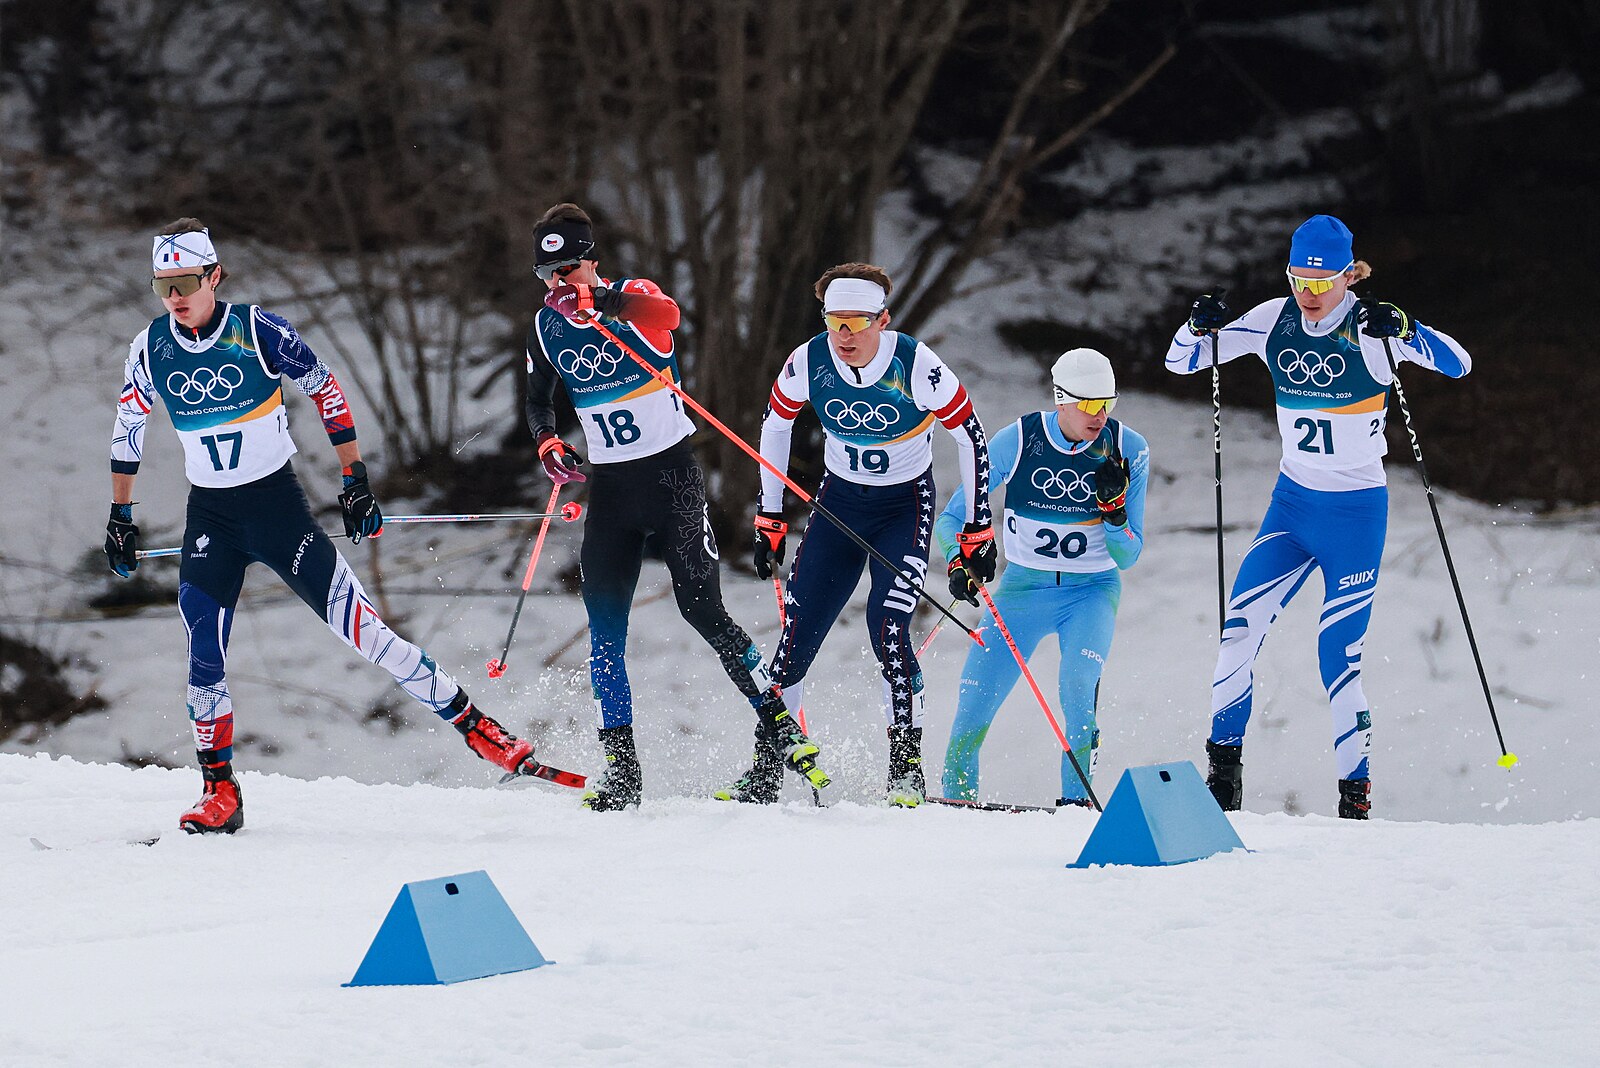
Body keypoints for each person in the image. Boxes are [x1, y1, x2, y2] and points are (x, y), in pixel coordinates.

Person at [106, 219, 565, 834]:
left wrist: (355, 479)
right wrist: (120, 516)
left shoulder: (257, 330)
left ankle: (478, 728)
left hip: (275, 510)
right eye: (163, 286)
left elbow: (325, 389)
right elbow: (128, 428)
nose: (175, 297)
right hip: (211, 515)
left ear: (214, 275)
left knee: (367, 634)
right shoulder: (151, 346)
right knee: (202, 653)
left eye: (186, 281)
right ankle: (220, 791)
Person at [1168, 214, 1472, 819]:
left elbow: (1459, 364)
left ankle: (1353, 802)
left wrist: (1409, 330)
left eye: (1321, 283)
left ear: (1345, 277)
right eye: (1298, 281)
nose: (1308, 296)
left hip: (1355, 517)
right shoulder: (1273, 318)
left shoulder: (1369, 327)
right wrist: (1196, 324)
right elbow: (1182, 363)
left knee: (1337, 657)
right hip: (1292, 507)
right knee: (1236, 636)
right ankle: (1222, 785)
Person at [525, 203, 828, 810]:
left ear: (593, 261)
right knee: (605, 633)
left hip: (671, 483)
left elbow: (669, 315)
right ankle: (623, 773)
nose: (561, 283)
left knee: (703, 611)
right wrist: (549, 441)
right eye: (549, 274)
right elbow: (538, 399)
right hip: (611, 491)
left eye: (570, 268)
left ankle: (780, 725)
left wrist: (600, 306)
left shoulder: (632, 296)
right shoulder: (545, 325)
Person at [750, 263, 994, 807]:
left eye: (859, 324)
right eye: (836, 323)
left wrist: (977, 528)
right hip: (838, 505)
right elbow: (774, 424)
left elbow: (971, 436)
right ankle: (765, 771)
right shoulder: (809, 360)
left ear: (883, 320)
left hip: (902, 508)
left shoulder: (915, 363)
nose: (846, 337)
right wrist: (769, 516)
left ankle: (906, 770)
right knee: (797, 633)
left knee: (888, 629)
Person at [935, 349, 1148, 806]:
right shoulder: (1017, 440)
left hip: (1090, 592)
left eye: (1107, 403)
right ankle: (956, 806)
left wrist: (1114, 512)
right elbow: (951, 520)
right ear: (1061, 400)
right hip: (1022, 591)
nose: (1101, 415)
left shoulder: (1129, 448)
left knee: (1076, 688)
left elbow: (1128, 554)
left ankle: (1076, 805)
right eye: (1089, 405)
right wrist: (958, 560)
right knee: (972, 703)